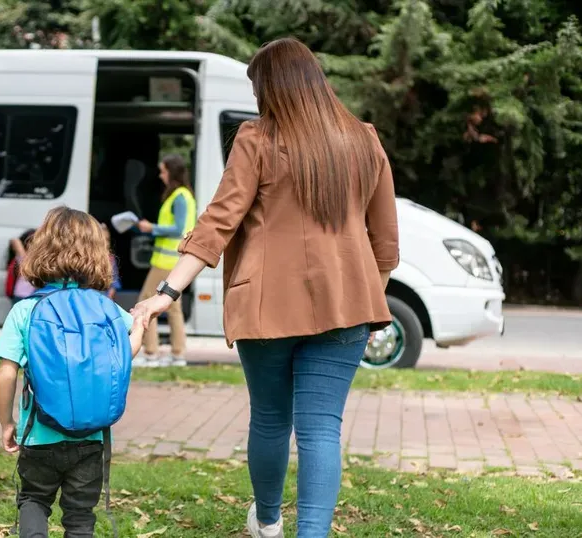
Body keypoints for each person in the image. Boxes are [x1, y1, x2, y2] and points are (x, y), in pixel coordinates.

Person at [132, 38, 399, 538]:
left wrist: (166, 291)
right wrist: (365, 301)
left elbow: (218, 223)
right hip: (348, 308)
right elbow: (385, 244)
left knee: (272, 420)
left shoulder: (256, 139)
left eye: (259, 88)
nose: (257, 101)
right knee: (322, 430)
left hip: (265, 309)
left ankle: (269, 523)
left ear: (273, 87)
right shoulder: (365, 140)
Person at [0, 207, 147, 538]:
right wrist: (141, 327)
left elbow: (7, 372)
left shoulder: (26, 310)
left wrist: (8, 422)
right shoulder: (107, 308)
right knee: (79, 515)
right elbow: (126, 351)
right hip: (91, 437)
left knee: (33, 499)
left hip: (38, 434)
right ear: (97, 254)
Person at [134, 154, 195, 368]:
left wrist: (151, 228)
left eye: (163, 170)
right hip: (174, 260)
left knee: (146, 300)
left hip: (165, 262)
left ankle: (151, 353)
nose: (160, 175)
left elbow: (177, 229)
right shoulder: (184, 195)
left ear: (172, 172)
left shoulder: (178, 196)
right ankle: (178, 354)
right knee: (173, 307)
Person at [6, 229, 37, 304]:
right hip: (22, 296)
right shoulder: (23, 259)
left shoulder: (36, 260)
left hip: (28, 296)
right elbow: (14, 241)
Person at [102, 223, 122, 301]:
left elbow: (114, 281)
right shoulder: (87, 259)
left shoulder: (111, 259)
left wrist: (109, 297)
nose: (105, 243)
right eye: (101, 240)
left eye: (107, 239)